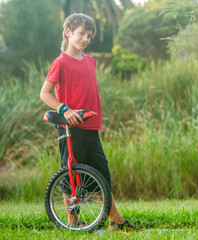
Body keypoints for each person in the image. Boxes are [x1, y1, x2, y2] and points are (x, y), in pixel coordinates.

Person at [40, 13, 141, 232]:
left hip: (90, 125)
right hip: (70, 127)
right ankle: (73, 220)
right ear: (68, 32)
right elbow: (45, 94)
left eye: (89, 35)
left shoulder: (91, 61)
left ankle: (116, 220)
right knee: (71, 174)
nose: (85, 39)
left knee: (102, 173)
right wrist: (64, 110)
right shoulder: (60, 62)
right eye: (81, 34)